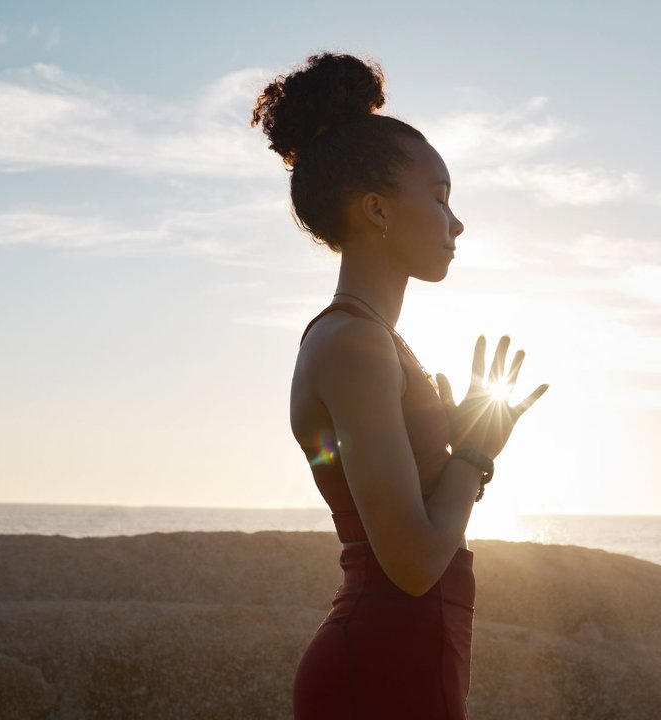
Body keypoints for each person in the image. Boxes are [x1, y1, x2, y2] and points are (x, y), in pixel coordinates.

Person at [251, 51, 549, 720]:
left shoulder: (369, 341)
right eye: (440, 197)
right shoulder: (353, 344)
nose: (457, 221)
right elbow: (411, 562)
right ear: (378, 210)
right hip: (381, 669)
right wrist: (472, 458)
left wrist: (466, 455)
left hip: (408, 656)